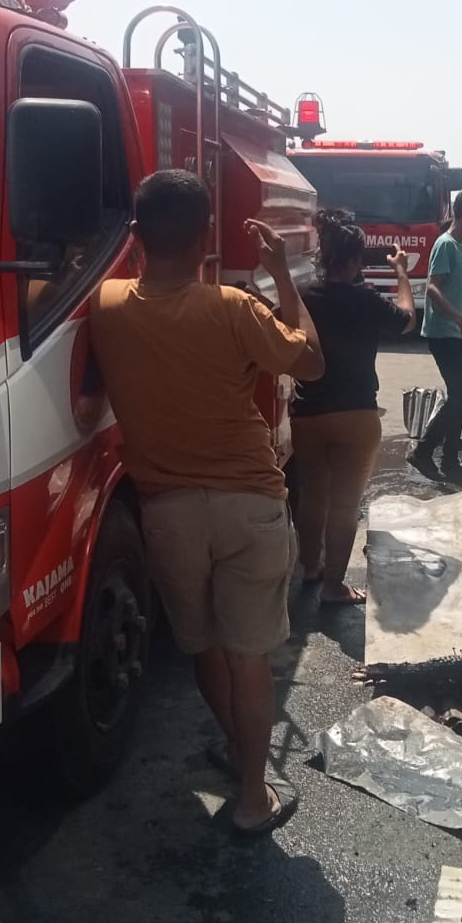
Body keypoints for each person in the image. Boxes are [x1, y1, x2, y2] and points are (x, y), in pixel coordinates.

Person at [89, 170, 324, 837]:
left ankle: (234, 745)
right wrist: (283, 278)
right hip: (248, 505)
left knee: (204, 648)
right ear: (204, 240)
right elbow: (308, 362)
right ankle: (253, 793)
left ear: (135, 237)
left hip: (166, 512)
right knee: (249, 656)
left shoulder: (104, 307)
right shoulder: (232, 307)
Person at [292, 210, 416, 607]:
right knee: (345, 505)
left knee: (312, 495)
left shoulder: (305, 295)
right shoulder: (365, 300)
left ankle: (309, 569)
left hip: (308, 412)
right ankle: (333, 588)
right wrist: (400, 273)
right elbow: (408, 321)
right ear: (356, 260)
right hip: (356, 414)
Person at [408, 189, 462, 487]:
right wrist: (459, 321)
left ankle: (443, 458)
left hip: (455, 332)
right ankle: (430, 453)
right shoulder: (445, 245)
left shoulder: (459, 247)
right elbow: (433, 288)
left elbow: (456, 292)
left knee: (459, 396)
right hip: (442, 332)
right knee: (459, 396)